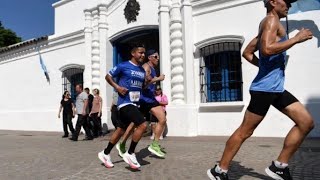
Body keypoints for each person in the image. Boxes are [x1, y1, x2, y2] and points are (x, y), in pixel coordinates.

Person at [207, 0, 314, 180]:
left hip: (276, 89)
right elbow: (265, 49)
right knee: (245, 132)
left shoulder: (269, 24)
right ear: (273, 2)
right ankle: (219, 170)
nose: (289, 4)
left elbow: (247, 52)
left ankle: (279, 166)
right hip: (264, 90)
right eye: (286, 1)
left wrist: (263, 68)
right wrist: (296, 39)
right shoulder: (271, 21)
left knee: (306, 122)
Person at [98, 43, 147, 169]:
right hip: (124, 103)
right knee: (142, 124)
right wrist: (117, 87)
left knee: (120, 130)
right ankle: (130, 153)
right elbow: (107, 77)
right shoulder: (123, 65)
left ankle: (105, 153)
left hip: (135, 103)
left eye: (144, 53)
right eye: (140, 52)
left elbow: (140, 87)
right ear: (133, 53)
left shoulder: (141, 70)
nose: (143, 55)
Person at [116, 49, 167, 158]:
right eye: (156, 56)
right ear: (150, 57)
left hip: (150, 99)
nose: (158, 59)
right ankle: (123, 143)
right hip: (143, 99)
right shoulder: (145, 67)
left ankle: (154, 144)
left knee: (162, 119)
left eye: (158, 57)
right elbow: (143, 85)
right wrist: (157, 79)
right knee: (135, 123)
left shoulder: (152, 68)